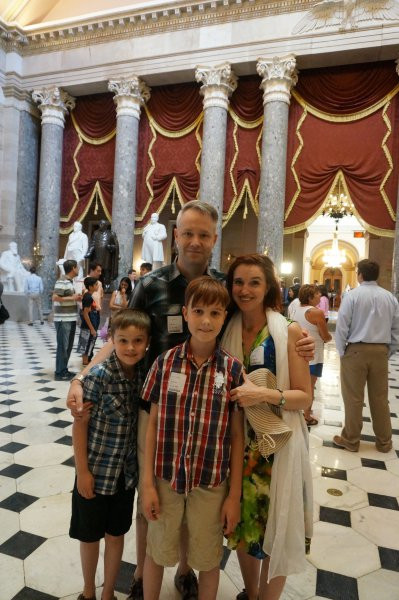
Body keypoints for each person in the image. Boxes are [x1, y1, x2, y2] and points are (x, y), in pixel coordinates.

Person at [66, 200, 315, 600]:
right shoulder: (152, 285)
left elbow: (256, 317)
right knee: (156, 495)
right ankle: (144, 574)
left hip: (213, 410)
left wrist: (297, 335)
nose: (195, 241)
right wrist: (81, 376)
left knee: (201, 493)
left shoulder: (225, 287)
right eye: (187, 233)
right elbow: (120, 337)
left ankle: (186, 571)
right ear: (175, 236)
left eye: (203, 234)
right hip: (157, 408)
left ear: (215, 239)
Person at [142, 276, 245, 600]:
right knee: (156, 550)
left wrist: (233, 496)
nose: (205, 320)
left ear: (224, 317)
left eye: (215, 313)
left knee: (208, 557)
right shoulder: (165, 362)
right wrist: (147, 484)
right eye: (198, 311)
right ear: (185, 313)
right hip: (166, 476)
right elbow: (153, 426)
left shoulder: (232, 370)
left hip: (211, 482)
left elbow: (237, 436)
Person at [221, 254, 313, 600]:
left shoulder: (287, 331)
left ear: (269, 287)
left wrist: (264, 393)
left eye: (254, 282)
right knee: (245, 523)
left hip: (278, 442)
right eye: (239, 282)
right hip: (238, 442)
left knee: (280, 522)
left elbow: (304, 397)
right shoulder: (224, 327)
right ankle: (252, 591)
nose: (245, 290)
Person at [70, 308, 151, 600]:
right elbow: (79, 426)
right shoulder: (99, 376)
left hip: (126, 476)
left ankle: (108, 593)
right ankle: (89, 591)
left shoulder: (144, 374)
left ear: (147, 342)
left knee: (116, 535)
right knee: (90, 536)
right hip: (95, 471)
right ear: (112, 341)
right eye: (123, 340)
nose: (131, 347)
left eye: (138, 341)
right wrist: (82, 472)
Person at [333, 259, 399, 453]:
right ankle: (384, 443)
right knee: (380, 398)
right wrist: (389, 350)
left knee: (353, 398)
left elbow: (342, 325)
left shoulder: (352, 296)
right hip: (380, 350)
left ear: (359, 274)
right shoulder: (390, 297)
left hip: (355, 350)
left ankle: (351, 440)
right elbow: (396, 329)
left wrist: (342, 351)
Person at [289, 284, 332, 426]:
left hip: (297, 352)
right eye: (317, 294)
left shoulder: (296, 308)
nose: (320, 296)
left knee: (296, 385)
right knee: (309, 386)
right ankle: (307, 416)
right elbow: (325, 336)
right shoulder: (316, 312)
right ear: (310, 297)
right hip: (313, 354)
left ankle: (295, 411)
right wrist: (330, 337)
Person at [53, 259, 82, 381]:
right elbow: (55, 297)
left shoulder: (70, 281)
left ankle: (64, 369)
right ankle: (59, 372)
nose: (79, 269)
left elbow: (68, 297)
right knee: (63, 346)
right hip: (63, 319)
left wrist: (76, 298)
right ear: (73, 268)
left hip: (70, 318)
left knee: (68, 346)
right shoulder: (62, 280)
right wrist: (73, 297)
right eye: (77, 267)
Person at [85, 220, 119, 291]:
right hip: (97, 255)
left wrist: (110, 246)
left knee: (106, 271)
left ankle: (107, 286)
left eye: (102, 224)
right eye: (100, 224)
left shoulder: (111, 233)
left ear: (106, 225)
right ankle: (95, 285)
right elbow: (93, 244)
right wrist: (89, 252)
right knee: (97, 270)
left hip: (107, 256)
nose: (100, 225)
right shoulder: (96, 233)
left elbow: (115, 246)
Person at [77, 277, 100, 366]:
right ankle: (85, 361)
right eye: (96, 285)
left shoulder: (88, 295)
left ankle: (86, 360)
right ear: (90, 287)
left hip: (89, 324)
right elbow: (85, 314)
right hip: (87, 325)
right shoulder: (88, 297)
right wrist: (92, 328)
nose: (97, 286)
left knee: (87, 342)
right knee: (86, 342)